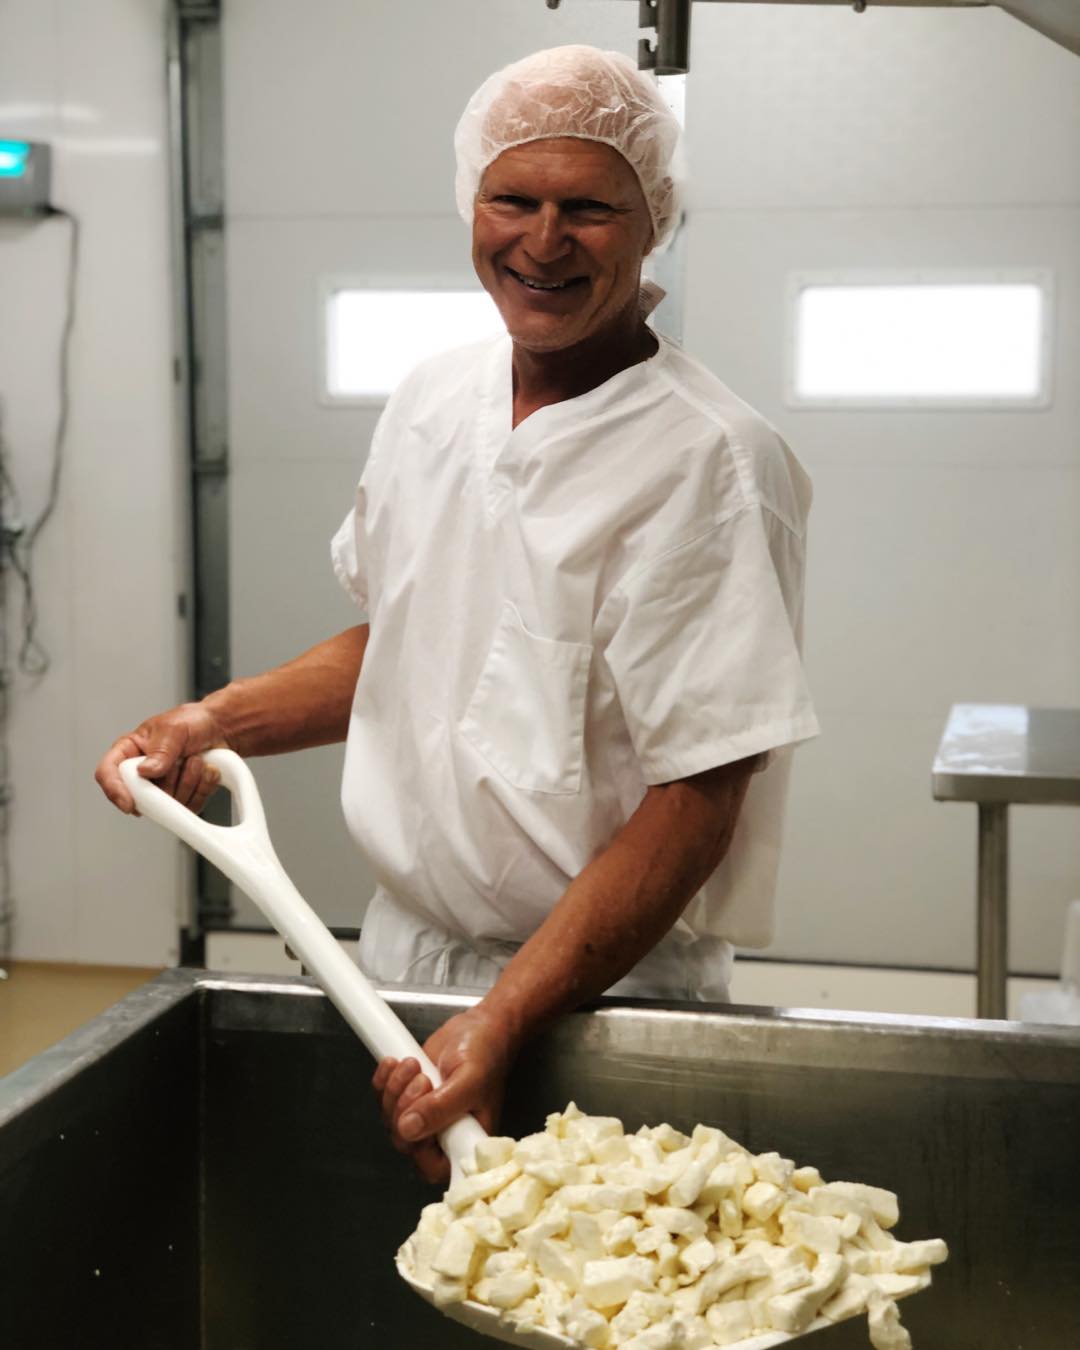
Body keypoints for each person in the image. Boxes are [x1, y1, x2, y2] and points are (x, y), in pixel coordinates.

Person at [95, 46, 818, 1182]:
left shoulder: (711, 462)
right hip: (394, 966)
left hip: (601, 997)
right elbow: (402, 645)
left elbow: (700, 791)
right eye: (512, 199)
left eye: (588, 207)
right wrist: (213, 722)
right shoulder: (435, 399)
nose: (542, 240)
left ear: (654, 220)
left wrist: (508, 1018)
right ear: (469, 203)